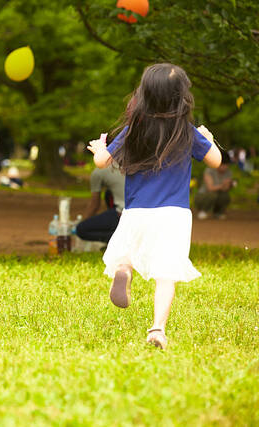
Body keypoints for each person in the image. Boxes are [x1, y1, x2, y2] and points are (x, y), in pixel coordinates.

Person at [87, 63, 222, 350]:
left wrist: (100, 148)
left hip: (137, 212)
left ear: (145, 95)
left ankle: (124, 270)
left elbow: (102, 162)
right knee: (166, 275)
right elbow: (216, 161)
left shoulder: (135, 128)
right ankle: (157, 329)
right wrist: (209, 140)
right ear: (181, 97)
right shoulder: (186, 131)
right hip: (174, 215)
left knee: (126, 256)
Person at [75, 164, 125, 243]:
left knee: (81, 229)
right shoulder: (131, 164)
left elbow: (95, 204)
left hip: (122, 214)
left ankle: (117, 238)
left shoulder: (98, 172)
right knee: (108, 194)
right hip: (141, 213)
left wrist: (85, 221)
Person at [195, 152, 233, 219]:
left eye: (226, 165)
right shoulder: (209, 171)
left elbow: (225, 189)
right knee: (213, 195)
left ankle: (218, 212)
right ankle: (203, 211)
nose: (225, 167)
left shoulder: (228, 172)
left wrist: (229, 185)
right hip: (203, 196)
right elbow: (210, 188)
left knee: (225, 196)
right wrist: (222, 185)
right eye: (223, 165)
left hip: (217, 195)